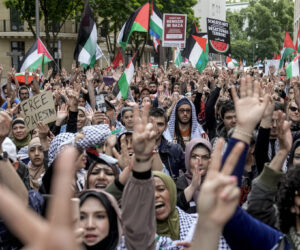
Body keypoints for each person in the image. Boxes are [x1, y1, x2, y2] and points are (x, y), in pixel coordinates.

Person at [176, 138, 212, 213]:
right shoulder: (179, 182)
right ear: (187, 158)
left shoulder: (217, 181)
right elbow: (175, 208)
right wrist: (193, 187)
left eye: (205, 157)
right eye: (195, 157)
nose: (200, 163)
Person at [149, 107, 185, 178]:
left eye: (160, 124)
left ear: (166, 127)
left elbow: (186, 176)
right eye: (152, 124)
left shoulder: (175, 150)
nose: (155, 128)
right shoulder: (137, 150)